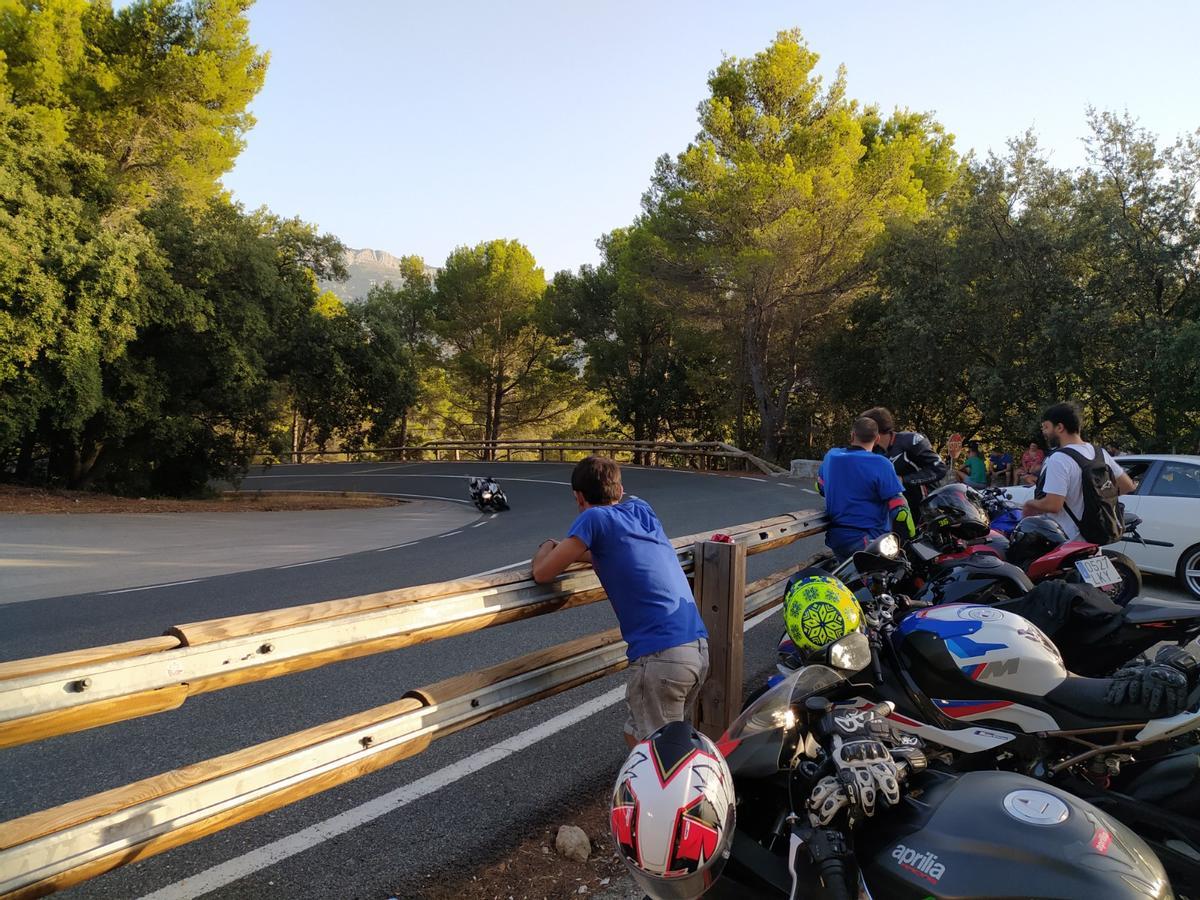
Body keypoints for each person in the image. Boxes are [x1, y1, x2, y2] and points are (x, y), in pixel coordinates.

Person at [531, 456, 708, 747]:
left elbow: (543, 572)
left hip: (662, 656)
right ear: (621, 490)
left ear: (578, 497)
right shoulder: (641, 510)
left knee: (655, 754)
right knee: (667, 744)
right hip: (697, 649)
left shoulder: (593, 518)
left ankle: (655, 794)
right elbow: (609, 552)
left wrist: (547, 546)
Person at [1021, 402, 1135, 542]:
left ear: (1060, 427)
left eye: (1046, 427)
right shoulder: (1099, 453)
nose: (1044, 432)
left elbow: (1053, 505)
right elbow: (1127, 485)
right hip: (1094, 537)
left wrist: (1029, 504)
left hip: (1067, 541)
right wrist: (1098, 498)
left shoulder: (1059, 458)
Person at [817, 416, 914, 560]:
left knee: (847, 580)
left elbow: (820, 487)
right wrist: (909, 538)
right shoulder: (881, 464)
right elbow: (900, 509)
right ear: (877, 439)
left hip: (837, 538)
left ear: (852, 435)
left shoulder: (832, 456)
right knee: (874, 580)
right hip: (868, 540)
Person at [861, 407, 948, 512]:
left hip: (927, 508)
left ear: (876, 430)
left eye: (864, 429)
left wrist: (903, 480)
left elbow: (940, 468)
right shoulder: (872, 452)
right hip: (897, 510)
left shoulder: (910, 440)